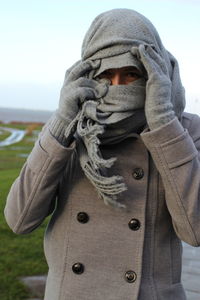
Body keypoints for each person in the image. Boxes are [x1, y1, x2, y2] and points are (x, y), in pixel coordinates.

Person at [4, 8, 200, 300]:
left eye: (132, 74)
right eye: (106, 75)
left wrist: (162, 123)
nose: (117, 87)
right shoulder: (72, 126)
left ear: (154, 73)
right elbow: (19, 219)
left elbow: (194, 231)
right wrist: (60, 123)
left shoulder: (184, 130)